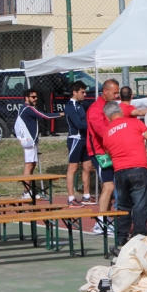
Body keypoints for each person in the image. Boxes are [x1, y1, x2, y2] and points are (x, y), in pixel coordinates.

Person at [102, 101, 147, 247]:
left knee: (123, 206)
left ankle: (121, 236)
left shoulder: (106, 133)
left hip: (119, 171)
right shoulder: (134, 123)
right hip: (138, 168)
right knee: (141, 204)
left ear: (107, 117)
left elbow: (109, 152)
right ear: (120, 110)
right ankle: (139, 235)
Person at [16, 88, 64, 199]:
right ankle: (26, 192)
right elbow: (45, 116)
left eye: (36, 97)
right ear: (26, 98)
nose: (36, 99)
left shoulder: (27, 108)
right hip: (29, 141)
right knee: (29, 165)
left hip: (32, 141)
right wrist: (62, 114)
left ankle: (28, 191)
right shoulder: (28, 108)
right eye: (33, 97)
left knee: (32, 164)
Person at [86, 78, 119, 234]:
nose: (116, 95)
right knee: (108, 186)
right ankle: (100, 222)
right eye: (114, 92)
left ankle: (106, 220)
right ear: (105, 91)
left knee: (110, 187)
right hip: (100, 153)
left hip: (110, 151)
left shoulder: (110, 107)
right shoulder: (95, 109)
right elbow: (102, 131)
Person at [64, 80, 94, 208]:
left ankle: (86, 196)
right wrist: (94, 126)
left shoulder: (81, 105)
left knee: (87, 168)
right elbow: (79, 124)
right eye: (82, 92)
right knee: (73, 168)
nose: (84, 94)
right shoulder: (70, 106)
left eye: (85, 91)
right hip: (75, 139)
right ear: (74, 92)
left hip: (84, 139)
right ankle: (71, 198)